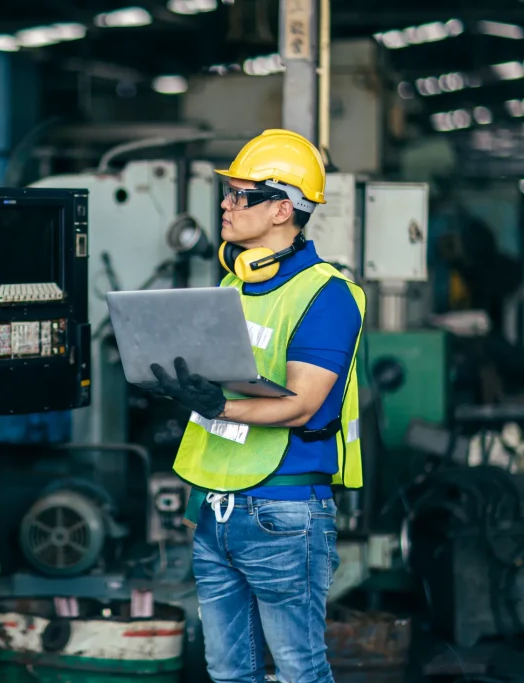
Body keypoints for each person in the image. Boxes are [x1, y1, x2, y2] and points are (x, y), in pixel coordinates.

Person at [148, 129, 365, 683]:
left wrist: (217, 406)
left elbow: (302, 405)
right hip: (217, 510)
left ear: (281, 209)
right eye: (229, 192)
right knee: (227, 671)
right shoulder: (235, 286)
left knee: (298, 670)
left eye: (240, 194)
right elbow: (223, 388)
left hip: (284, 514)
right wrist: (180, 387)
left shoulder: (327, 294)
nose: (225, 203)